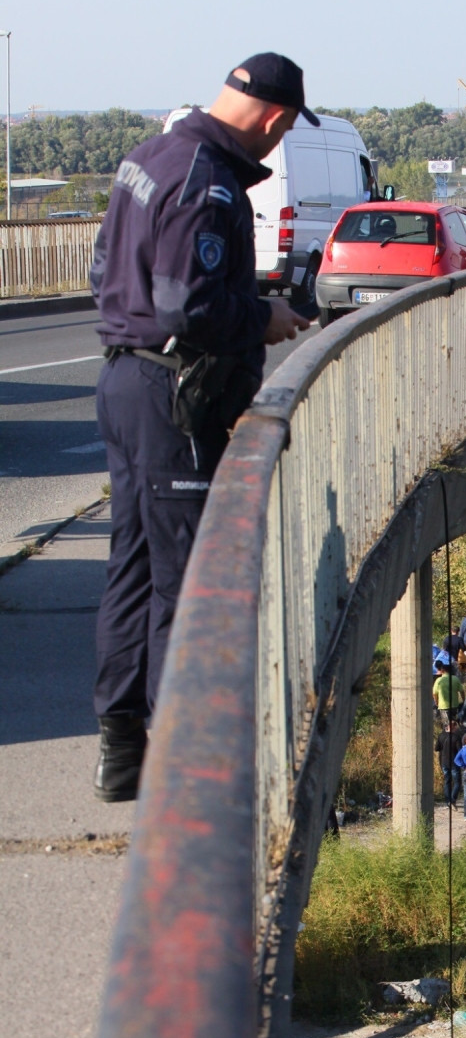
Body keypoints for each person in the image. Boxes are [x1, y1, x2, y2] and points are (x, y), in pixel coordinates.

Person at [90, 53, 314, 801]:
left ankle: (122, 752)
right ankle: (181, 764)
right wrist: (267, 316)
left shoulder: (148, 158)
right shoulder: (207, 182)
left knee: (133, 565)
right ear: (277, 121)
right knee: (182, 583)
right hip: (173, 396)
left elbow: (109, 274)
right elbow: (192, 308)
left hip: (125, 379)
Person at [435, 718, 463, 807]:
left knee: (447, 781)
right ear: (453, 727)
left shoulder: (441, 736)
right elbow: (460, 751)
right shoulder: (456, 737)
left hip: (444, 762)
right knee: (457, 782)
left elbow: (436, 748)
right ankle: (453, 798)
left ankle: (448, 801)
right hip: (454, 763)